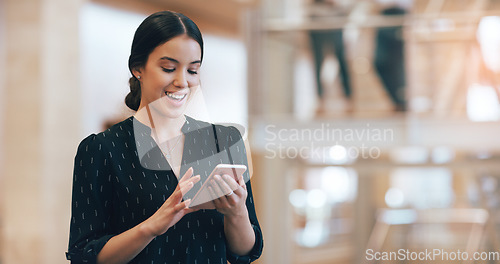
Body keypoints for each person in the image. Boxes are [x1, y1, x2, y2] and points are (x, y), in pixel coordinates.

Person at [66, 11, 263, 264]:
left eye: (193, 70)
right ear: (138, 68)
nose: (182, 82)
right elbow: (84, 255)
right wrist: (151, 227)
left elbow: (247, 251)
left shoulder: (222, 141)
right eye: (169, 68)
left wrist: (237, 213)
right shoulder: (101, 150)